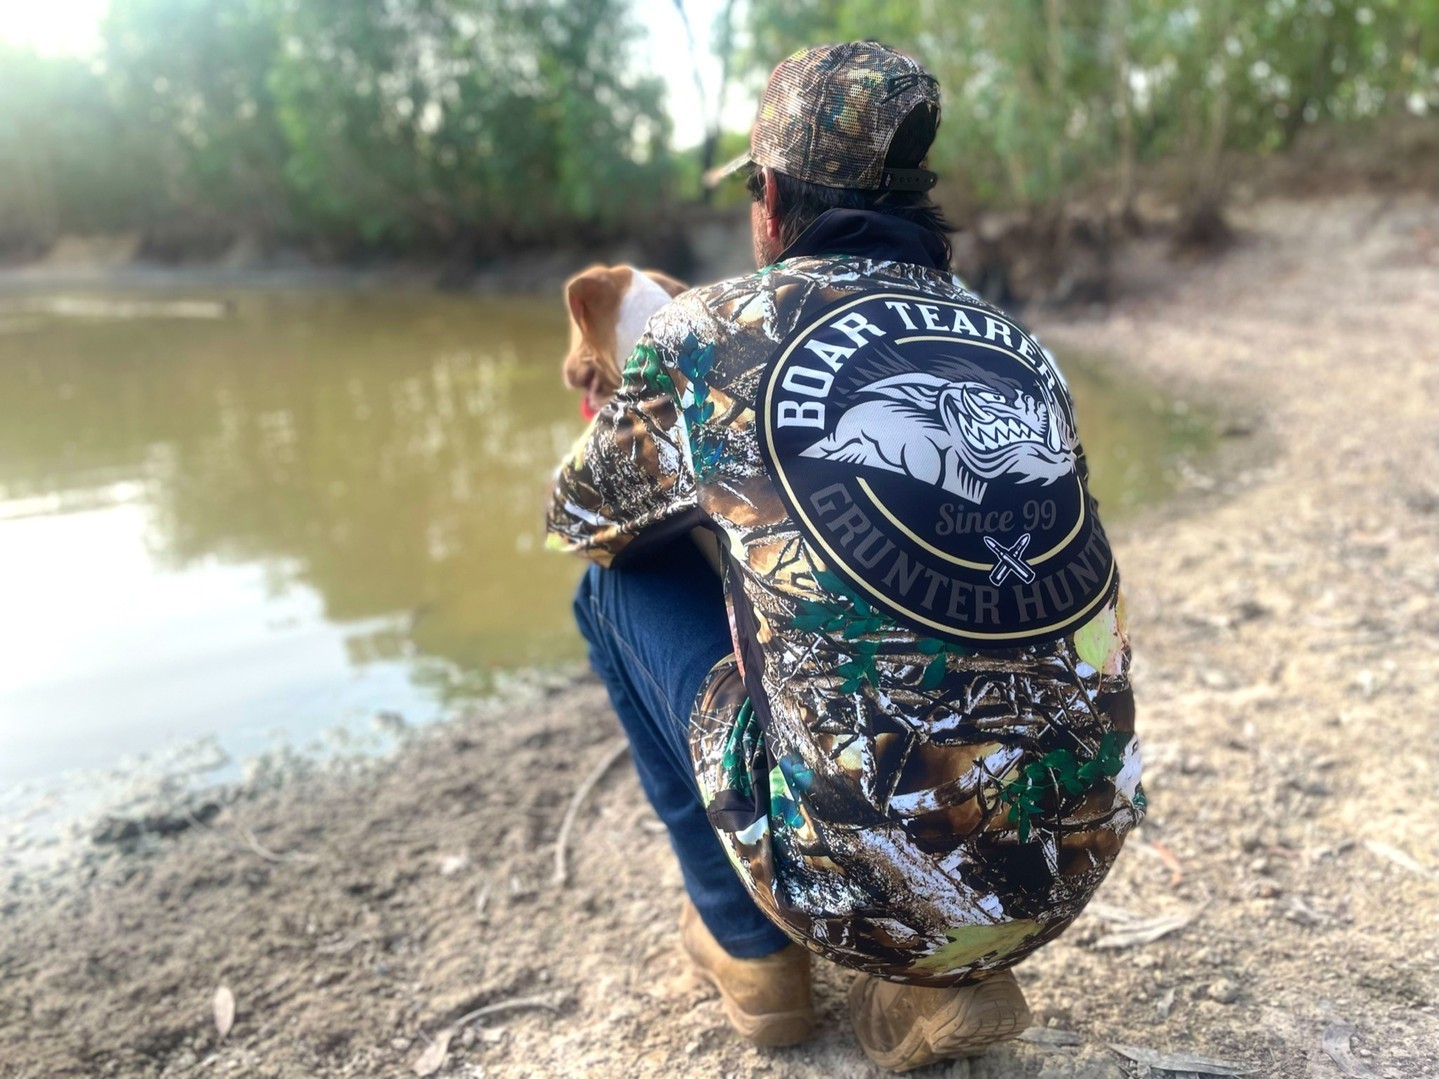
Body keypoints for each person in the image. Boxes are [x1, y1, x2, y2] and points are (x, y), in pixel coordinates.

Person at [546, 41, 1145, 1071]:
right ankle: (940, 967)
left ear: (772, 200)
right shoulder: (1013, 343)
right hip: (1068, 855)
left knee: (615, 583)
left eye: (752, 190)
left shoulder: (711, 326)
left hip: (852, 884)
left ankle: (754, 954)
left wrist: (629, 422)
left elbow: (576, 517)